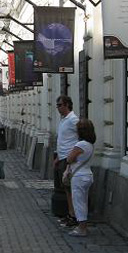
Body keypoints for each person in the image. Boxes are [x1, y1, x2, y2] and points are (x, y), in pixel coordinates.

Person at [63, 119, 96, 237]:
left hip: (79, 176)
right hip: (88, 174)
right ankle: (83, 225)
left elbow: (69, 159)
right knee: (83, 201)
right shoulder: (90, 145)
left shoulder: (80, 145)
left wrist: (72, 158)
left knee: (78, 202)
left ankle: (82, 228)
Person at [54, 95, 79, 226]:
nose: (58, 108)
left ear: (67, 105)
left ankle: (74, 215)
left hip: (69, 159)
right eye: (57, 105)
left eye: (60, 105)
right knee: (66, 188)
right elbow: (62, 140)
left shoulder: (73, 120)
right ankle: (70, 213)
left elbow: (81, 138)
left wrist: (73, 155)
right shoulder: (64, 120)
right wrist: (58, 157)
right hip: (62, 158)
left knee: (70, 188)